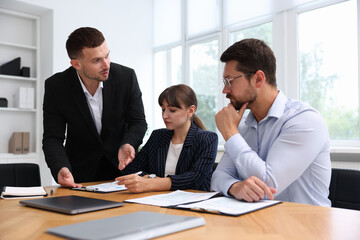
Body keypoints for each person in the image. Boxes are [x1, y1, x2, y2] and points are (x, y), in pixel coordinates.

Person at [211, 38, 331, 206]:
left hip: (306, 226)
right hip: (258, 222)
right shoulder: (243, 124)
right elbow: (219, 177)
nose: (225, 90)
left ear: (259, 79)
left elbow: (268, 187)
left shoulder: (305, 120)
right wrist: (234, 186)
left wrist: (230, 133)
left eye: (229, 81)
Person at [42, 27, 147, 188]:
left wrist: (129, 143)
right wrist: (60, 167)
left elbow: (138, 121)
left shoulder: (126, 77)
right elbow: (53, 138)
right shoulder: (56, 86)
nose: (106, 65)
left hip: (124, 171)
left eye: (107, 56)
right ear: (76, 63)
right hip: (81, 175)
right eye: (96, 60)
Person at [116, 84, 218, 192]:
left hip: (192, 203)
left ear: (191, 111)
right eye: (163, 109)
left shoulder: (207, 139)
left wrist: (151, 183)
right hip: (157, 200)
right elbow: (133, 171)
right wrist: (127, 159)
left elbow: (194, 178)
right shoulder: (158, 136)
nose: (165, 116)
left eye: (172, 110)